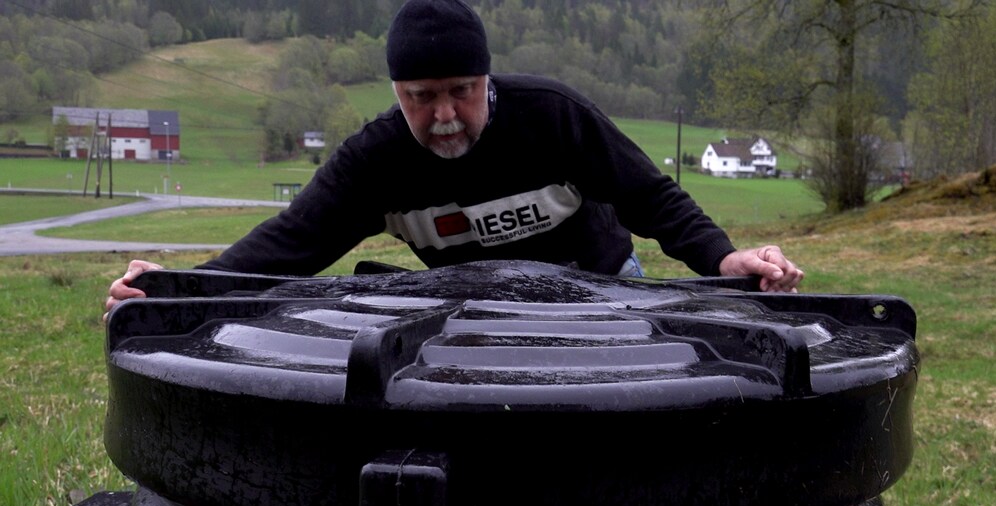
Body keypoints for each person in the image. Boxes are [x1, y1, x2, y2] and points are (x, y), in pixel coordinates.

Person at [105, 0, 803, 321]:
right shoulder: (373, 161)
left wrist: (723, 258)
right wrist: (176, 290)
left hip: (603, 293)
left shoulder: (553, 114)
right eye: (421, 97)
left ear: (486, 80)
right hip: (471, 308)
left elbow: (652, 196)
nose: (444, 115)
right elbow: (289, 244)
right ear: (396, 93)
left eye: (461, 92)